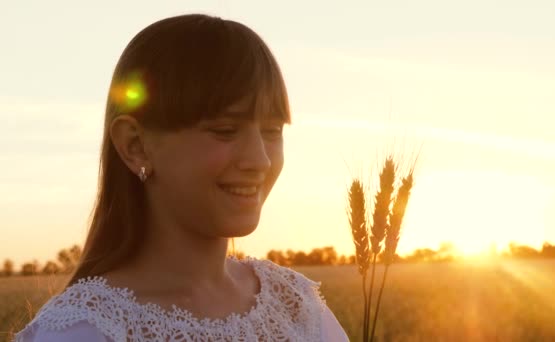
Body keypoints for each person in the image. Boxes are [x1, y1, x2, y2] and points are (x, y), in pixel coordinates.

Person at [15, 13, 349, 341]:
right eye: (225, 130)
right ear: (136, 146)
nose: (259, 159)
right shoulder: (86, 330)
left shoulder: (296, 308)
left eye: (272, 131)